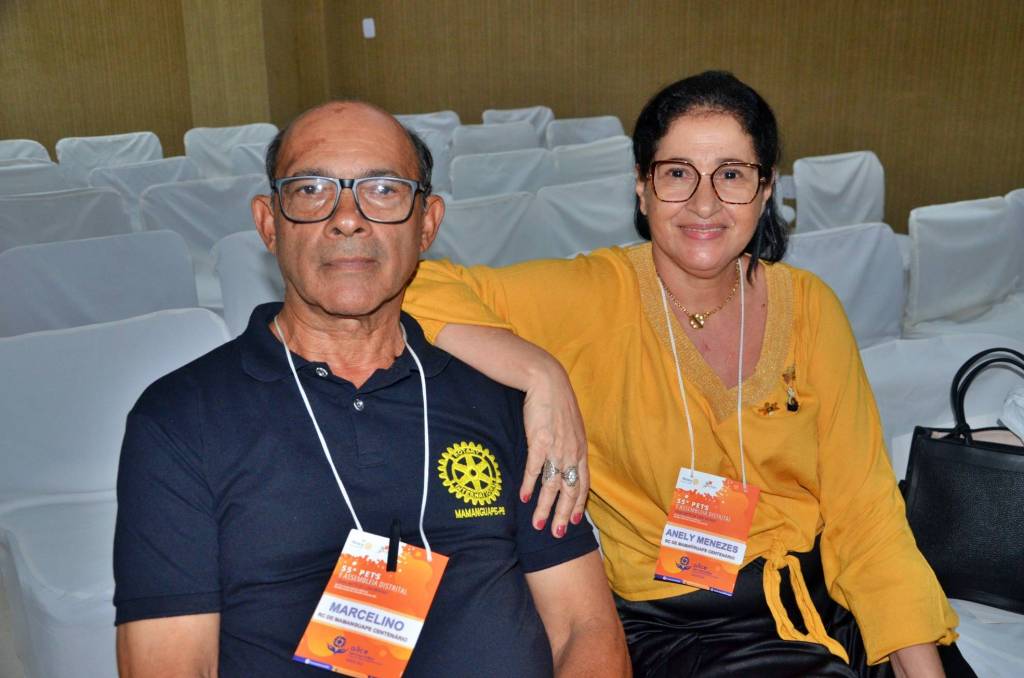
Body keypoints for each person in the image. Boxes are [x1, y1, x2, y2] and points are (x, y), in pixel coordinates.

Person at [403, 71, 971, 677]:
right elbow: (413, 282)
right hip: (687, 633)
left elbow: (866, 512)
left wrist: (916, 658)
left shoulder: (810, 307)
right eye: (677, 174)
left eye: (732, 175)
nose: (704, 203)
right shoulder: (590, 296)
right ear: (642, 189)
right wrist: (541, 372)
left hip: (832, 600)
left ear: (765, 189)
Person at [112, 101, 629, 677]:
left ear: (427, 223)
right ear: (268, 223)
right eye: (311, 189)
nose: (347, 219)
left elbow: (585, 627)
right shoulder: (181, 419)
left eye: (383, 190)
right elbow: (172, 662)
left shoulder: (503, 398)